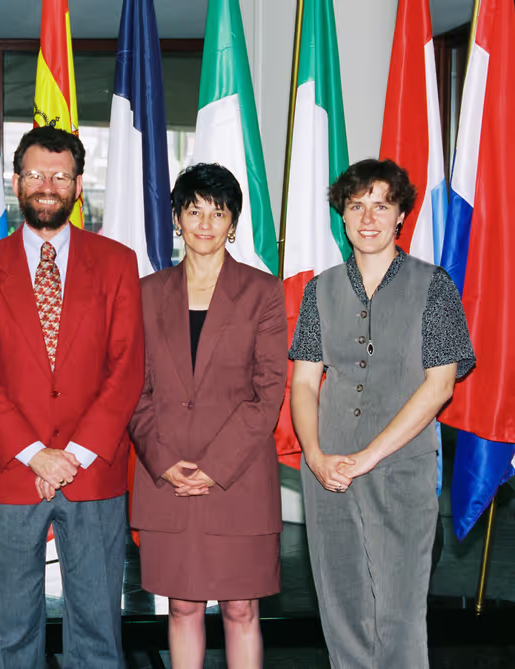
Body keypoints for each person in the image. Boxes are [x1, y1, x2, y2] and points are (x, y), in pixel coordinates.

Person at [0, 126, 144, 668]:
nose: (47, 185)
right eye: (36, 174)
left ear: (79, 185)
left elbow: (126, 368)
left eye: (60, 176)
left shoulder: (116, 263)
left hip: (95, 474)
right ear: (16, 181)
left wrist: (74, 455)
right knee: (10, 637)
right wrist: (37, 454)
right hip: (12, 473)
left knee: (98, 636)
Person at [289, 158, 475, 668]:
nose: (368, 217)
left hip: (401, 468)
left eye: (381, 205)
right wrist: (316, 454)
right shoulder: (318, 289)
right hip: (327, 469)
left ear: (400, 217)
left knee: (399, 612)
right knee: (342, 607)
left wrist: (369, 455)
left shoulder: (433, 285)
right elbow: (304, 381)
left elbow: (440, 386)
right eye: (356, 206)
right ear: (342, 218)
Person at [128, 163, 287, 668]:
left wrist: (213, 468)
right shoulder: (146, 293)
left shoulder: (263, 293)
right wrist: (164, 459)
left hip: (237, 478)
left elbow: (268, 392)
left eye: (217, 213)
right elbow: (133, 387)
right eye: (193, 211)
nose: (204, 223)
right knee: (181, 606)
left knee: (242, 608)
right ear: (176, 217)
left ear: (232, 223)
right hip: (166, 474)